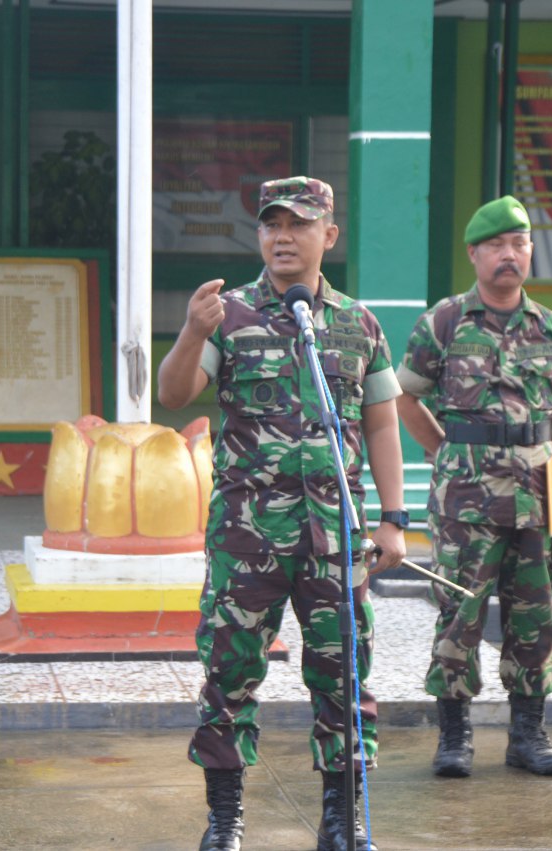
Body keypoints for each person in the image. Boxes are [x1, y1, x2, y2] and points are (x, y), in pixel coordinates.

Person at [158, 176, 407, 851]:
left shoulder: (359, 323)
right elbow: (175, 393)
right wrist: (189, 331)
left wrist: (394, 518)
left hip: (334, 538)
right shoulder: (228, 313)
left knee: (343, 673)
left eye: (298, 224)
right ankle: (226, 817)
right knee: (231, 671)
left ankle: (342, 817)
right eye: (271, 224)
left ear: (329, 235)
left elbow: (382, 426)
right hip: (247, 537)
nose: (281, 236)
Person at [394, 195, 552, 779]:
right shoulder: (445, 321)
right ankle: (454, 739)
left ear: (530, 252)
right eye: (496, 246)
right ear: (475, 254)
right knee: (459, 614)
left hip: (533, 499)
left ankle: (528, 736)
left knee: (534, 618)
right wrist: (441, 450)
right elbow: (404, 395)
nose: (509, 255)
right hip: (465, 504)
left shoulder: (550, 328)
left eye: (519, 244)